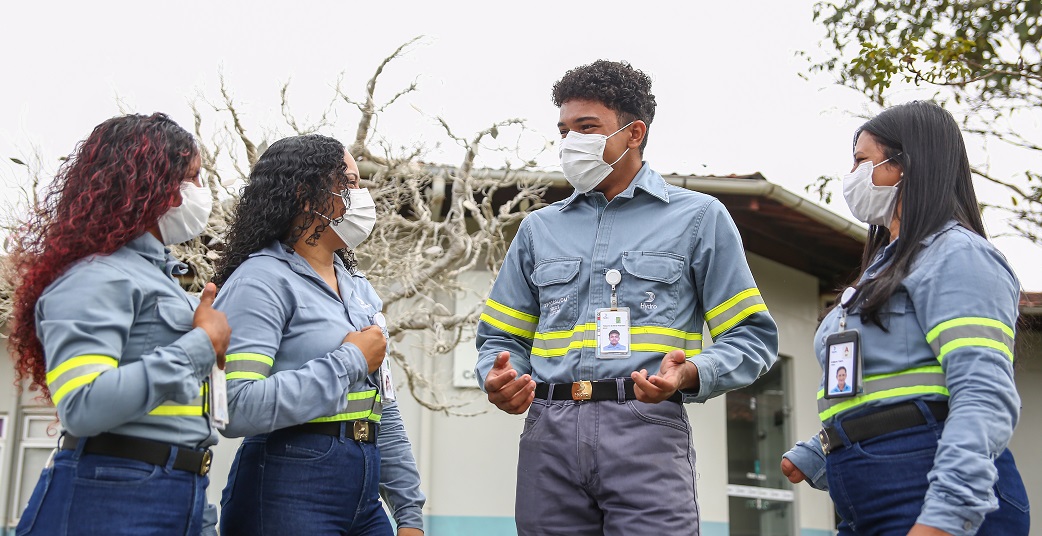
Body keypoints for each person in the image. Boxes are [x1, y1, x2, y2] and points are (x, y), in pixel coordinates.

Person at [475, 60, 779, 535]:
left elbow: (751, 337)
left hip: (646, 429)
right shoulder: (537, 230)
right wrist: (500, 377)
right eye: (563, 130)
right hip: (548, 433)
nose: (570, 142)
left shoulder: (699, 218)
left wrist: (690, 373)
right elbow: (500, 338)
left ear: (634, 133)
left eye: (587, 127)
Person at [781, 101, 1030, 536]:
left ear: (904, 166)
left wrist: (945, 517)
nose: (852, 175)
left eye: (862, 160)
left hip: (925, 491)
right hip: (869, 498)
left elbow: (983, 395)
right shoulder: (883, 267)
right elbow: (894, 386)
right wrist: (824, 448)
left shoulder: (959, 255)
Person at [8, 113, 229, 535]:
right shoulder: (96, 276)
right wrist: (203, 343)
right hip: (113, 494)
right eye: (192, 178)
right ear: (150, 185)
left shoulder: (159, 279)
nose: (202, 192)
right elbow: (82, 406)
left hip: (179, 490)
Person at [212, 134, 425, 535]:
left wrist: (409, 512)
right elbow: (235, 407)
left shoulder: (358, 288)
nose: (362, 195)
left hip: (364, 491)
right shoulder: (260, 281)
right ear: (305, 194)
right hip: (288, 487)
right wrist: (350, 360)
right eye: (350, 182)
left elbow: (383, 406)